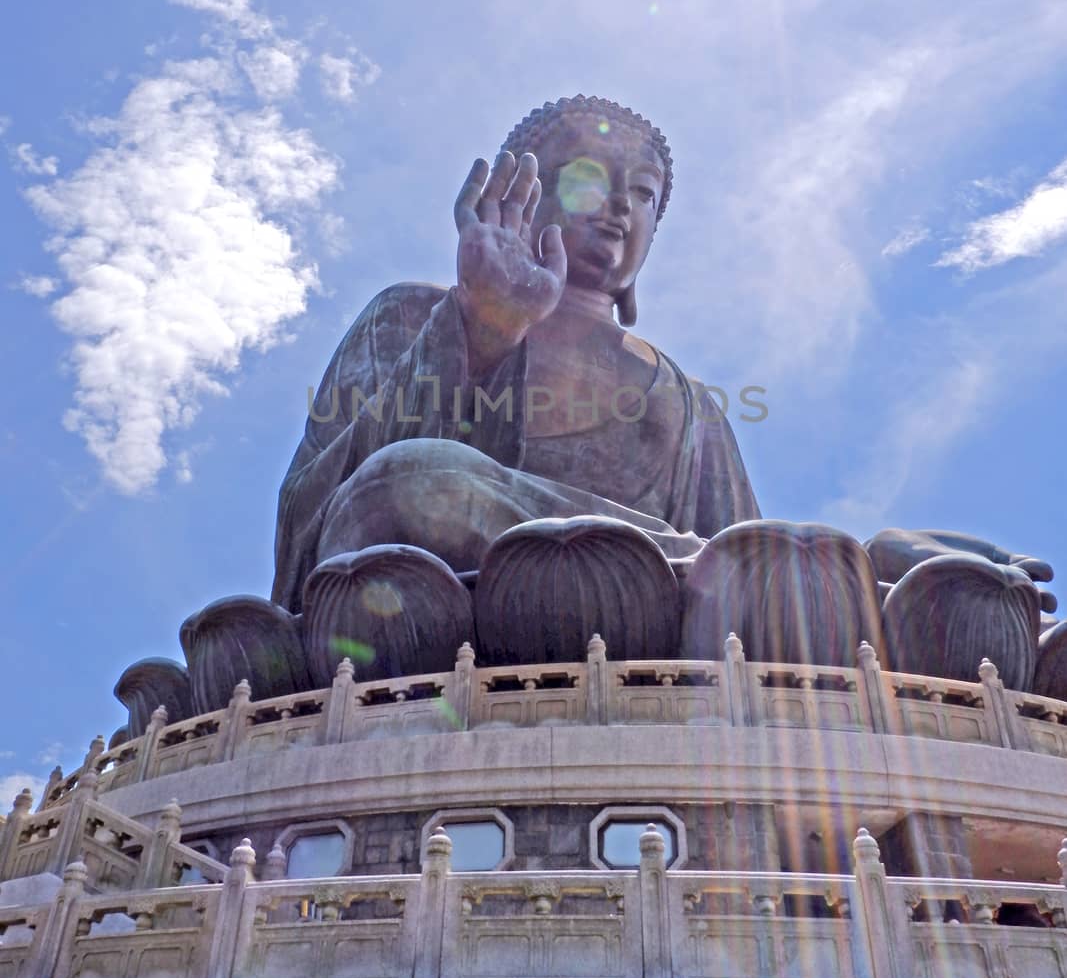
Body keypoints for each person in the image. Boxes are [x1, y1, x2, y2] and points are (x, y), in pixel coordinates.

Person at [272, 94, 1054, 619]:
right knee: (410, 483)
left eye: (642, 192)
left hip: (644, 631)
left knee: (754, 585)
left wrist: (783, 572)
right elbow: (321, 521)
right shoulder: (411, 313)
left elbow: (740, 573)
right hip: (439, 615)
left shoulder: (685, 401)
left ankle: (851, 571)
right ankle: (855, 577)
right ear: (522, 195)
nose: (617, 204)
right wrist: (481, 327)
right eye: (587, 178)